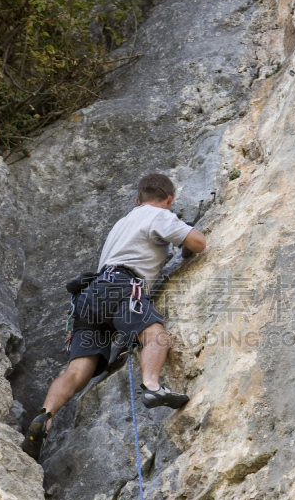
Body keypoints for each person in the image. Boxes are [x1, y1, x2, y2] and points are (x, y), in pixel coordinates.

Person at [22, 173, 206, 459]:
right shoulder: (159, 215)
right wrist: (184, 239)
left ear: (137, 200)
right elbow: (198, 243)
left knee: (77, 370)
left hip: (91, 293)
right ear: (169, 199)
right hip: (122, 284)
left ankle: (45, 416)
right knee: (155, 335)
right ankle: (153, 387)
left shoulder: (124, 222)